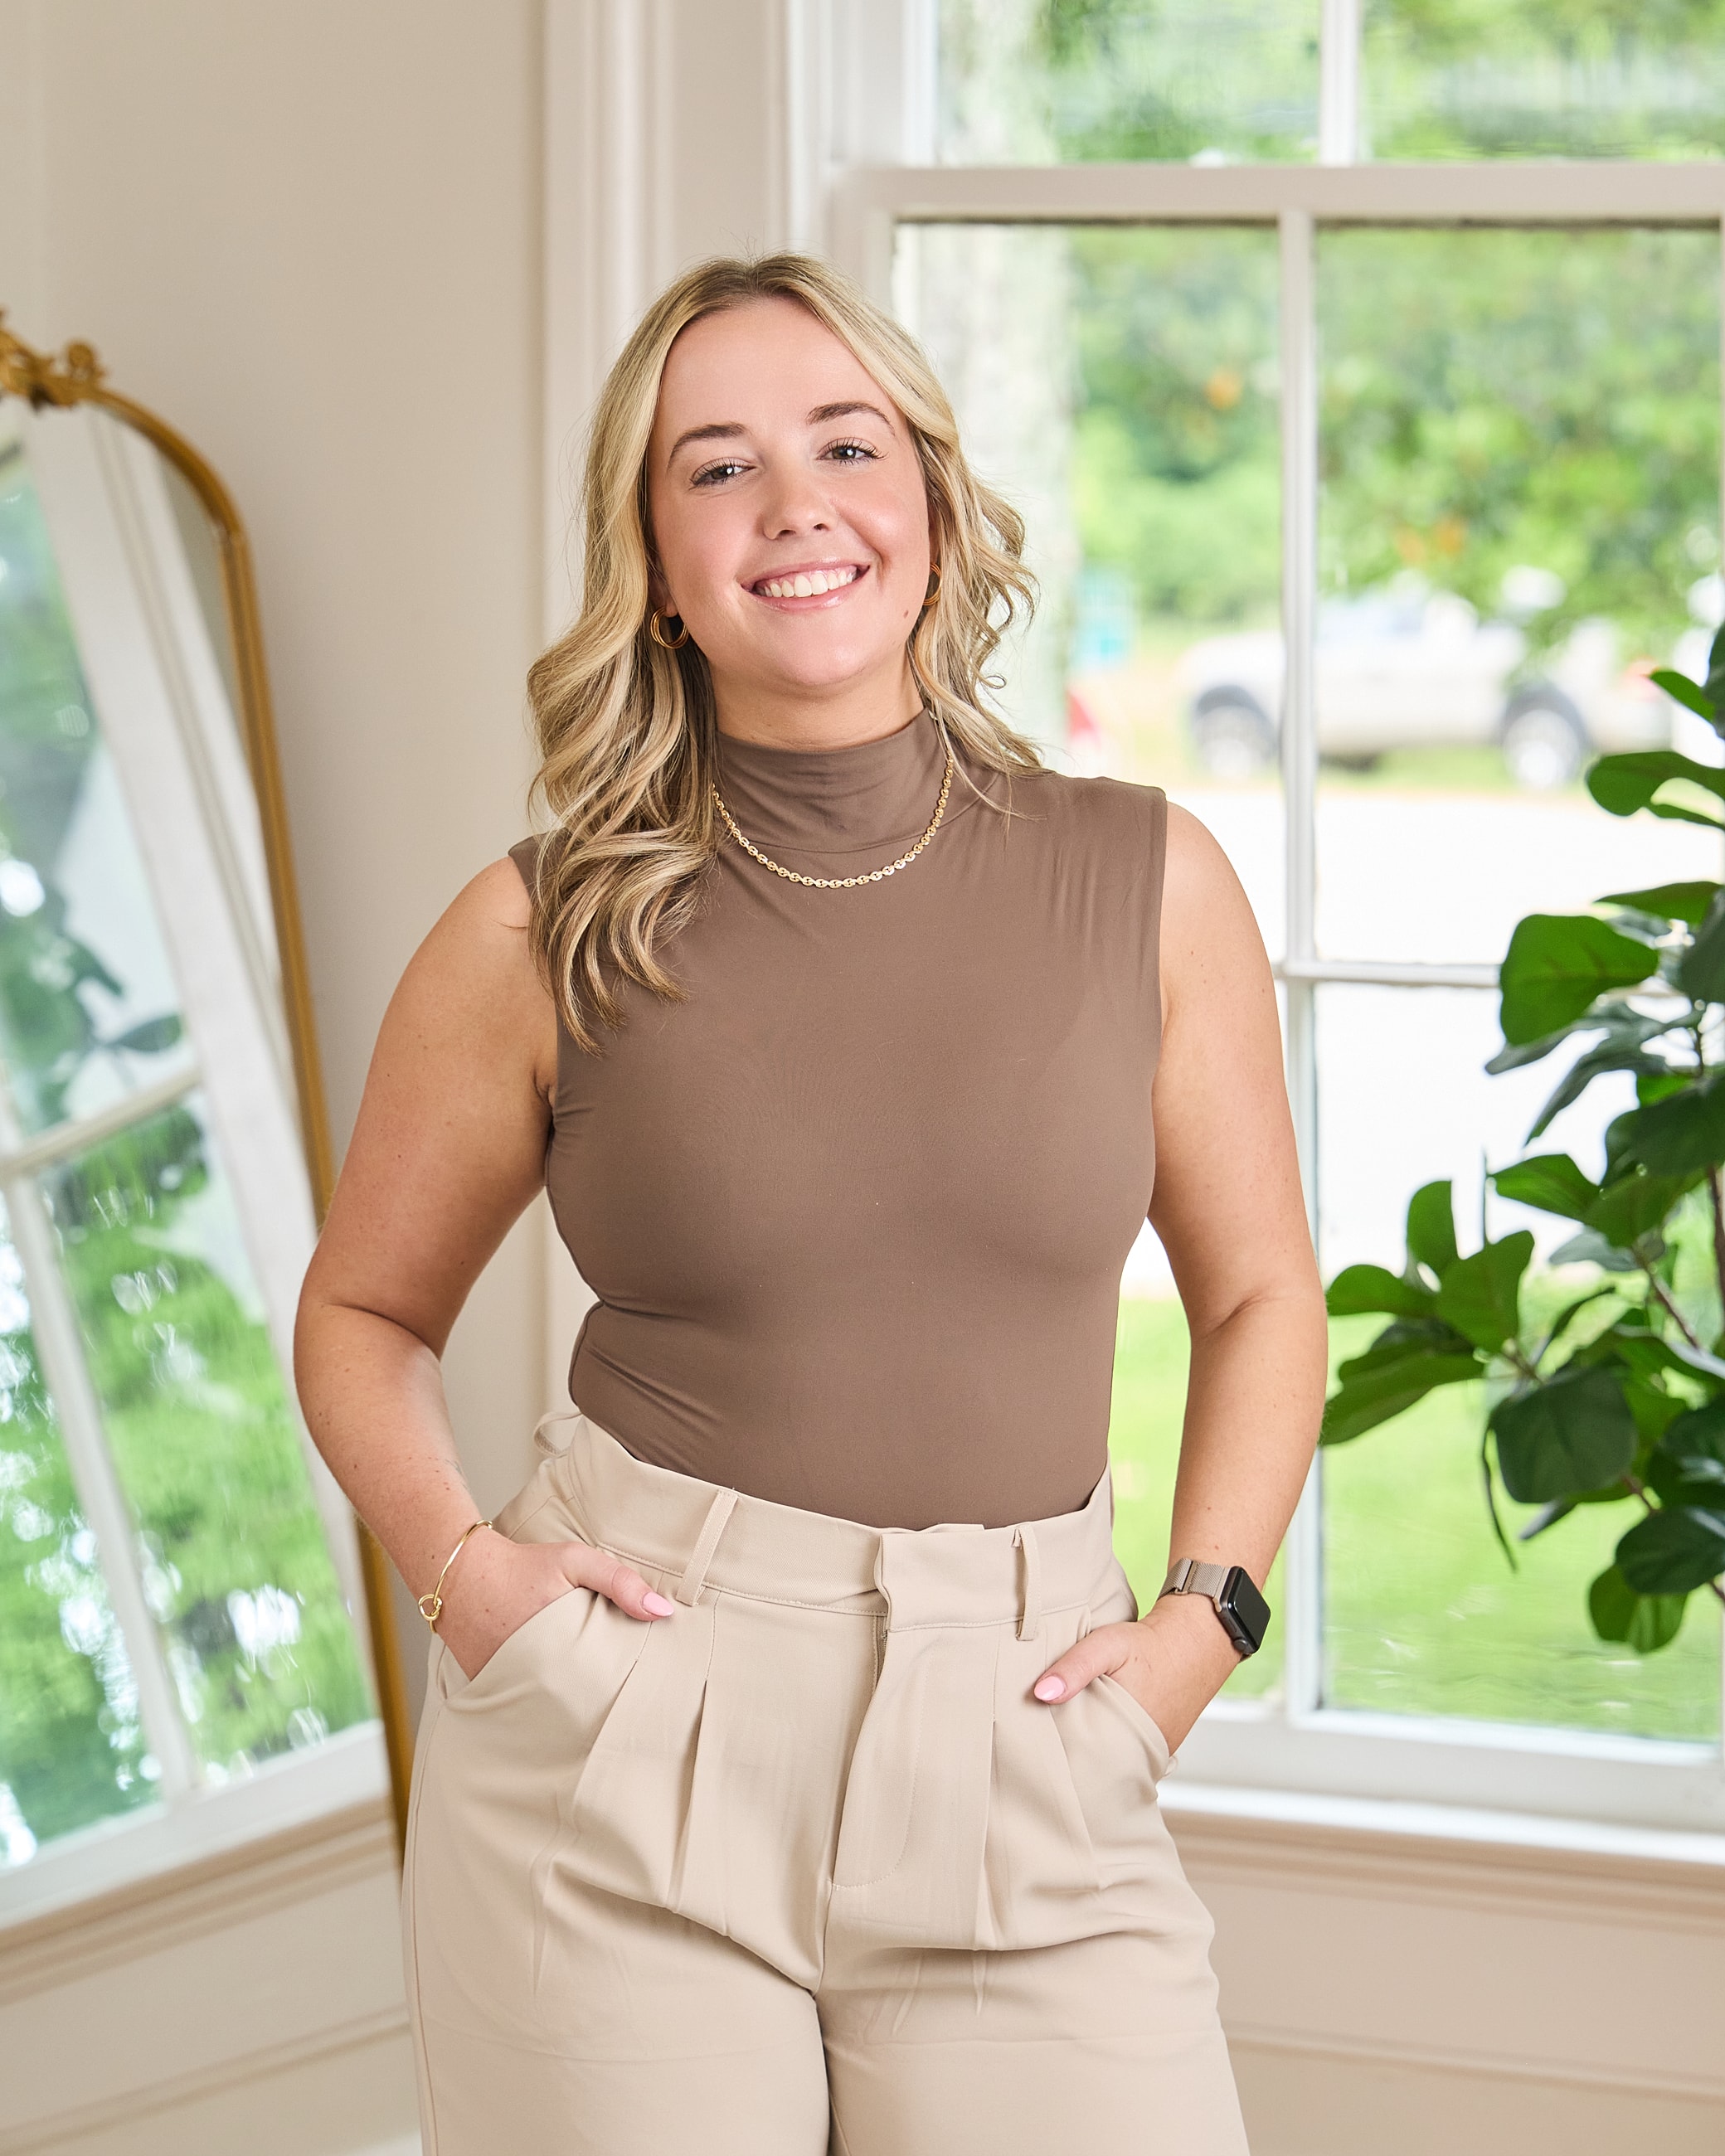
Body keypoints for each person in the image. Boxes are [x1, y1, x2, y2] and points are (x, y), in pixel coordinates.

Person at [294, 252, 1328, 2156]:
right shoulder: (539, 928)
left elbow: (1261, 1293)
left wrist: (1203, 1620)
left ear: (928, 498)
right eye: (717, 467)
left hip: (1028, 1725)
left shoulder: (1147, 883)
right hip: (622, 1736)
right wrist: (469, 1584)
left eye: (846, 446)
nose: (795, 505)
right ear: (655, 565)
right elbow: (359, 1316)